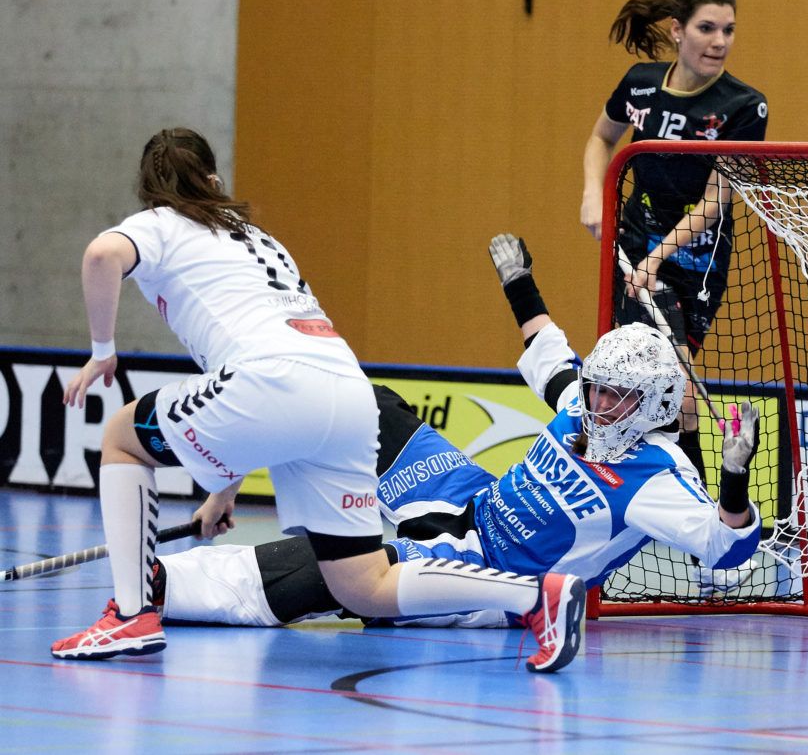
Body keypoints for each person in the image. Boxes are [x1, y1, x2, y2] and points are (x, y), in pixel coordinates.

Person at [51, 129, 585, 673]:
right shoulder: (258, 239)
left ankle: (130, 615)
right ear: (213, 180)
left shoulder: (160, 221)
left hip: (274, 383)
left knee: (122, 438)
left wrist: (102, 352)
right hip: (348, 393)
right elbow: (257, 392)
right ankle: (533, 595)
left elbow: (101, 255)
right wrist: (224, 493)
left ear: (151, 193)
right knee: (364, 585)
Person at [128, 234, 764, 629]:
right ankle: (255, 491)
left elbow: (725, 548)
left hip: (481, 574)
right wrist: (520, 282)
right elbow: (548, 352)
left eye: (614, 395)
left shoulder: (657, 477)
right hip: (466, 499)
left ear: (651, 404)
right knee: (360, 406)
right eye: (594, 386)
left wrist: (733, 483)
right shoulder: (583, 409)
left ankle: (165, 584)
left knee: (338, 573)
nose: (595, 402)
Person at [580, 0, 768, 485]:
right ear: (677, 30)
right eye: (707, 28)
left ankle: (699, 518)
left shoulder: (744, 107)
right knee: (675, 396)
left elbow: (715, 202)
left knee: (676, 404)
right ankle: (706, 524)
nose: (720, 41)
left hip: (696, 261)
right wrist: (593, 194)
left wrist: (658, 257)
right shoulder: (641, 83)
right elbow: (602, 137)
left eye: (728, 30)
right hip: (636, 244)